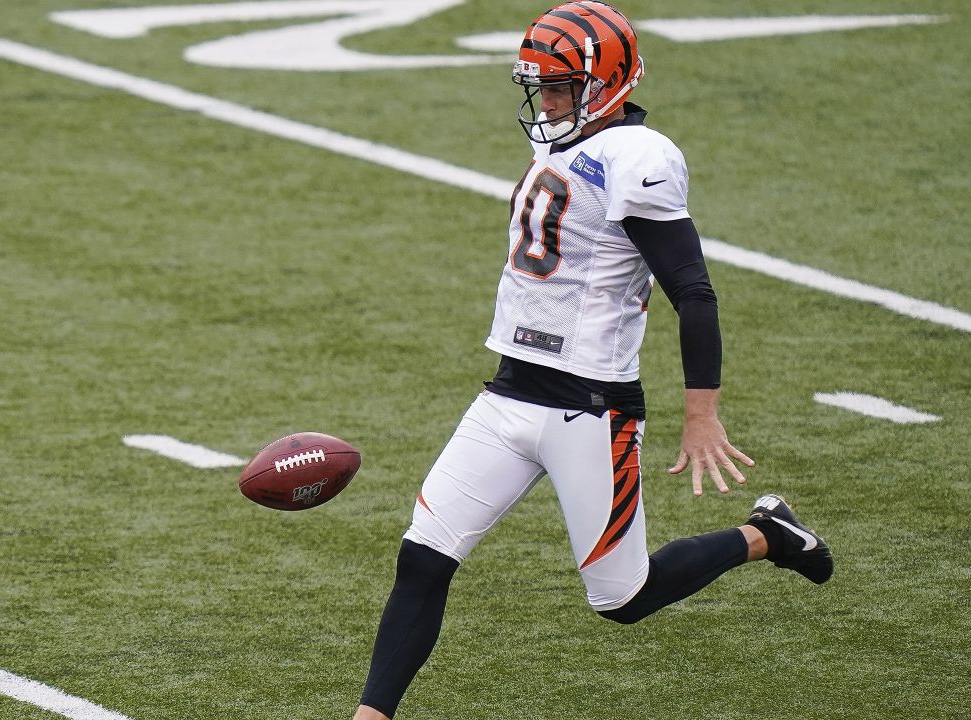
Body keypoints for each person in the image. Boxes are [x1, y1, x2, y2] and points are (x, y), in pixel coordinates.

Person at [352, 3, 833, 718]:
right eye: (539, 87)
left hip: (590, 407)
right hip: (508, 394)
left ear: (607, 82)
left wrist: (701, 415)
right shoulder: (564, 147)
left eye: (560, 86)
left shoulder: (639, 158)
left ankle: (767, 535)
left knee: (623, 598)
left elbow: (693, 293)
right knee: (423, 557)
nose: (546, 102)